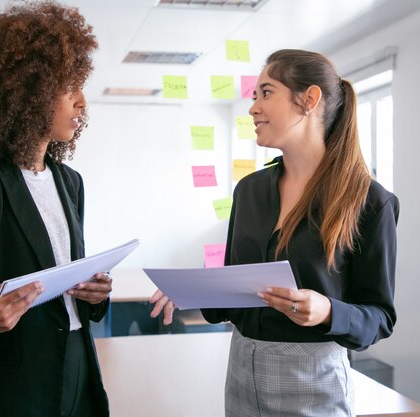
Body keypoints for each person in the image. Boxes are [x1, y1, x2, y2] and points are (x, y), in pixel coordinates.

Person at [150, 49, 399, 417]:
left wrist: (328, 311)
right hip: (240, 367)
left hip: (313, 378)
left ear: (309, 100)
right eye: (254, 96)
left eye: (266, 93)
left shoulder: (370, 201)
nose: (253, 108)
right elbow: (235, 295)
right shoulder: (249, 191)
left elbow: (380, 317)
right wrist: (190, 291)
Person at [0, 2, 111, 416]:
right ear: (30, 90)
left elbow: (65, 279)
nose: (82, 102)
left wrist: (95, 295)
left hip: (77, 367)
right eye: (71, 87)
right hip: (9, 389)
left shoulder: (70, 182)